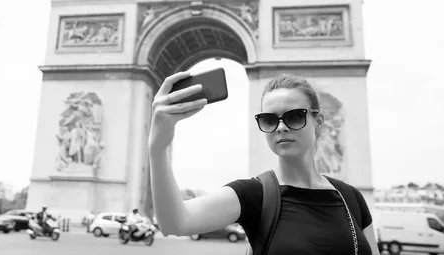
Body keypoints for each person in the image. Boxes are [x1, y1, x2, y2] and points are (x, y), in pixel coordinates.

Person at [148, 71, 381, 254]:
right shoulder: (254, 194)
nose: (281, 126)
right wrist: (158, 146)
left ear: (318, 121)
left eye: (295, 116)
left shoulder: (351, 197)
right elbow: (174, 222)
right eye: (269, 119)